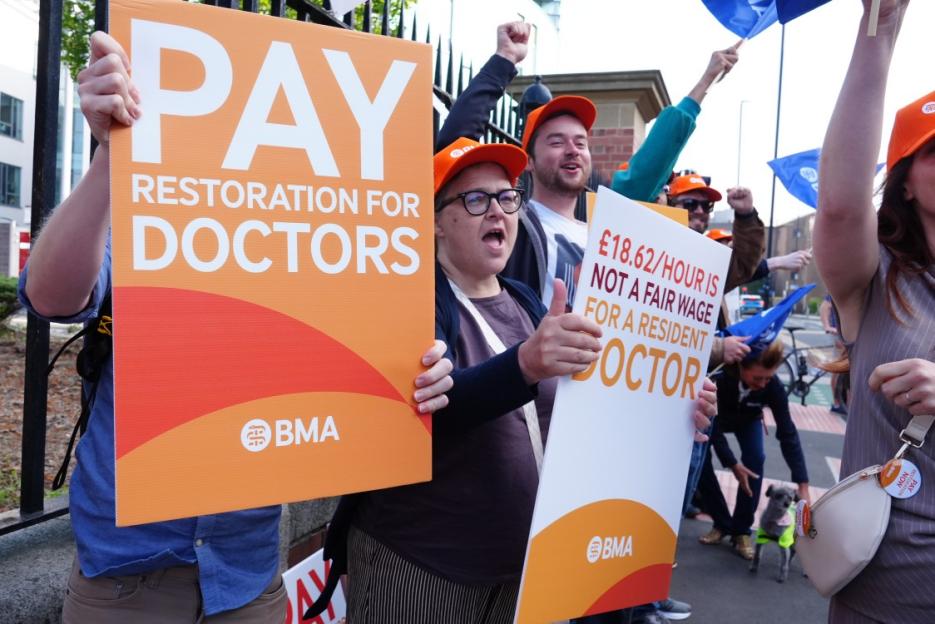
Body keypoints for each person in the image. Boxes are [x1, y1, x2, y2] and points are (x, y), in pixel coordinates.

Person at [19, 31, 454, 623]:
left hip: (250, 576)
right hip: (128, 575)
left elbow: (350, 373)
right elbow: (50, 297)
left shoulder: (312, 253)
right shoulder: (148, 223)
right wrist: (109, 154)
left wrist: (414, 378)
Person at [338, 137, 718, 623]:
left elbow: (585, 406)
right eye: (475, 199)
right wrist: (525, 364)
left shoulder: (524, 300)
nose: (498, 211)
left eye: (507, 197)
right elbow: (427, 413)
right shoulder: (411, 299)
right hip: (423, 567)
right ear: (434, 221)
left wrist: (674, 409)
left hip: (520, 570)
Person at [813, 1, 935, 621]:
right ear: (906, 180)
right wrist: (879, 31)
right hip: (889, 590)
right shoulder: (878, 280)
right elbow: (839, 205)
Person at [695, 340, 810, 560]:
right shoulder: (722, 378)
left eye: (768, 378)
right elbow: (713, 431)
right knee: (701, 460)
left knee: (756, 459)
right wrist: (732, 464)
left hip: (748, 419)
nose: (763, 384)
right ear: (741, 366)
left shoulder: (772, 386)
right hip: (717, 419)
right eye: (757, 378)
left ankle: (741, 531)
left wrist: (802, 484)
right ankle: (721, 524)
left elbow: (788, 433)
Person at [819, 294, 849, 415]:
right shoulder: (840, 288)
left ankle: (840, 403)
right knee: (839, 369)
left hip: (844, 334)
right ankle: (838, 403)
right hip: (839, 334)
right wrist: (827, 326)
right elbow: (825, 306)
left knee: (841, 369)